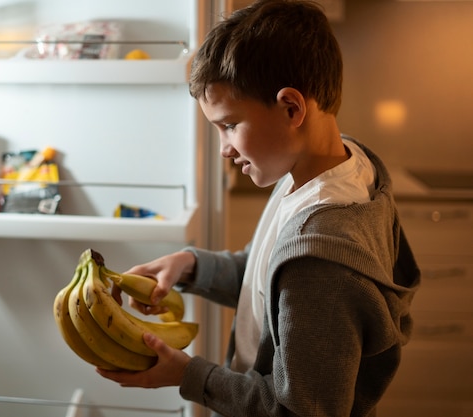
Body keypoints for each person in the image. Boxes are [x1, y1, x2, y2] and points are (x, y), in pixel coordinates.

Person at [97, 1, 421, 416]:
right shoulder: (333, 167)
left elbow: (298, 410)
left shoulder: (322, 261)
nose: (224, 149)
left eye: (230, 125)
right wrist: (189, 265)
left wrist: (188, 375)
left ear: (291, 108)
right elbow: (267, 275)